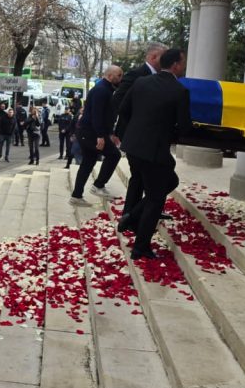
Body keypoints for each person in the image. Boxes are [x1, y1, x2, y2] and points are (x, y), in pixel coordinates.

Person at [114, 49, 191, 260]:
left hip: (134, 147)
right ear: (175, 65)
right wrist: (167, 132)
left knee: (170, 180)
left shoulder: (141, 83)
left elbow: (124, 108)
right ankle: (140, 247)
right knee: (156, 198)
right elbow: (184, 128)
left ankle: (132, 215)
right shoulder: (179, 91)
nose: (183, 66)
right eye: (182, 63)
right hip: (154, 150)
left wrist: (135, 130)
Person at [70, 65, 124, 206]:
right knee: (114, 155)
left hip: (90, 132)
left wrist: (110, 133)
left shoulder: (105, 89)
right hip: (91, 133)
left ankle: (76, 196)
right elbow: (97, 115)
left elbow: (107, 115)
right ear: (110, 75)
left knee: (88, 162)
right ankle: (98, 185)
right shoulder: (102, 90)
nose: (120, 78)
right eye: (119, 75)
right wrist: (101, 135)